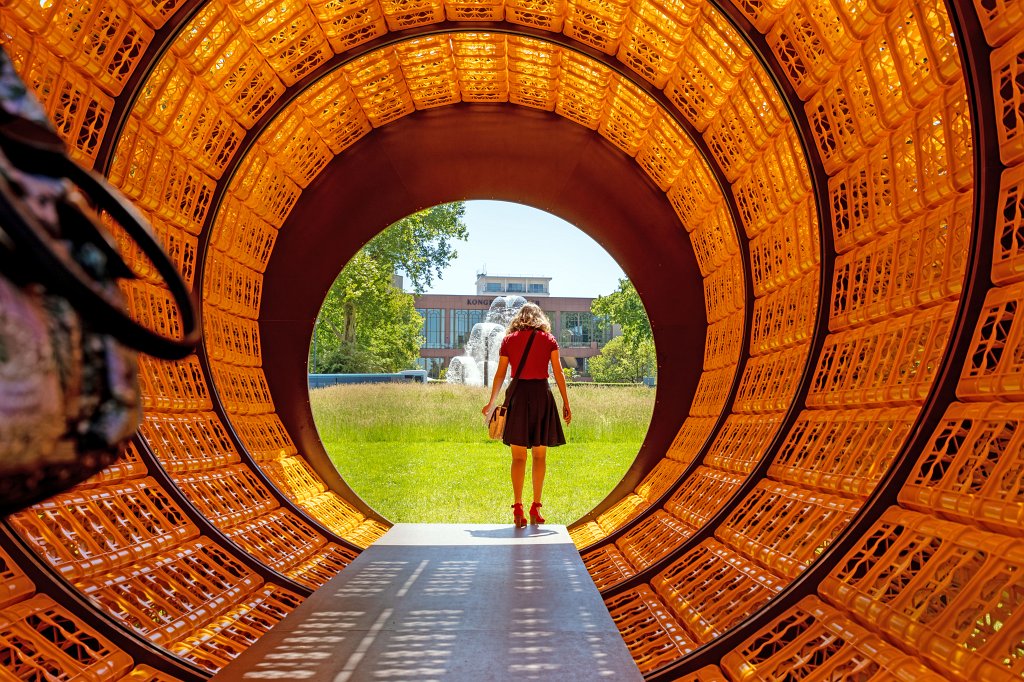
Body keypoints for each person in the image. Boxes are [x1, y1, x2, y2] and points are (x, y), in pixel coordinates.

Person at [482, 303, 572, 528]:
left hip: (518, 396)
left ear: (518, 319)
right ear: (539, 317)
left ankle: (518, 507)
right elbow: (558, 372)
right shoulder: (548, 339)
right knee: (540, 457)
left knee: (518, 457)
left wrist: (492, 403)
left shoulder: (508, 340)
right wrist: (566, 402)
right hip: (542, 395)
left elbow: (501, 374)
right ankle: (536, 507)